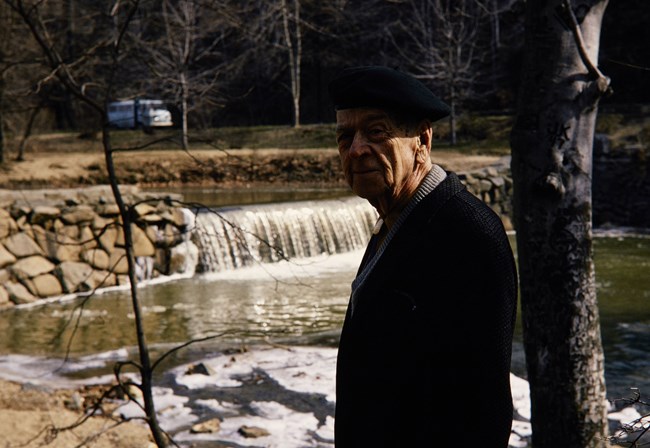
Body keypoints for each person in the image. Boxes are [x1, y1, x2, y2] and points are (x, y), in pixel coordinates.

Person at [328, 66, 518, 447]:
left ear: (423, 140)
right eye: (345, 136)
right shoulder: (395, 218)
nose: (356, 149)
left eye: (376, 132)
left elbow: (482, 411)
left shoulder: (467, 233)